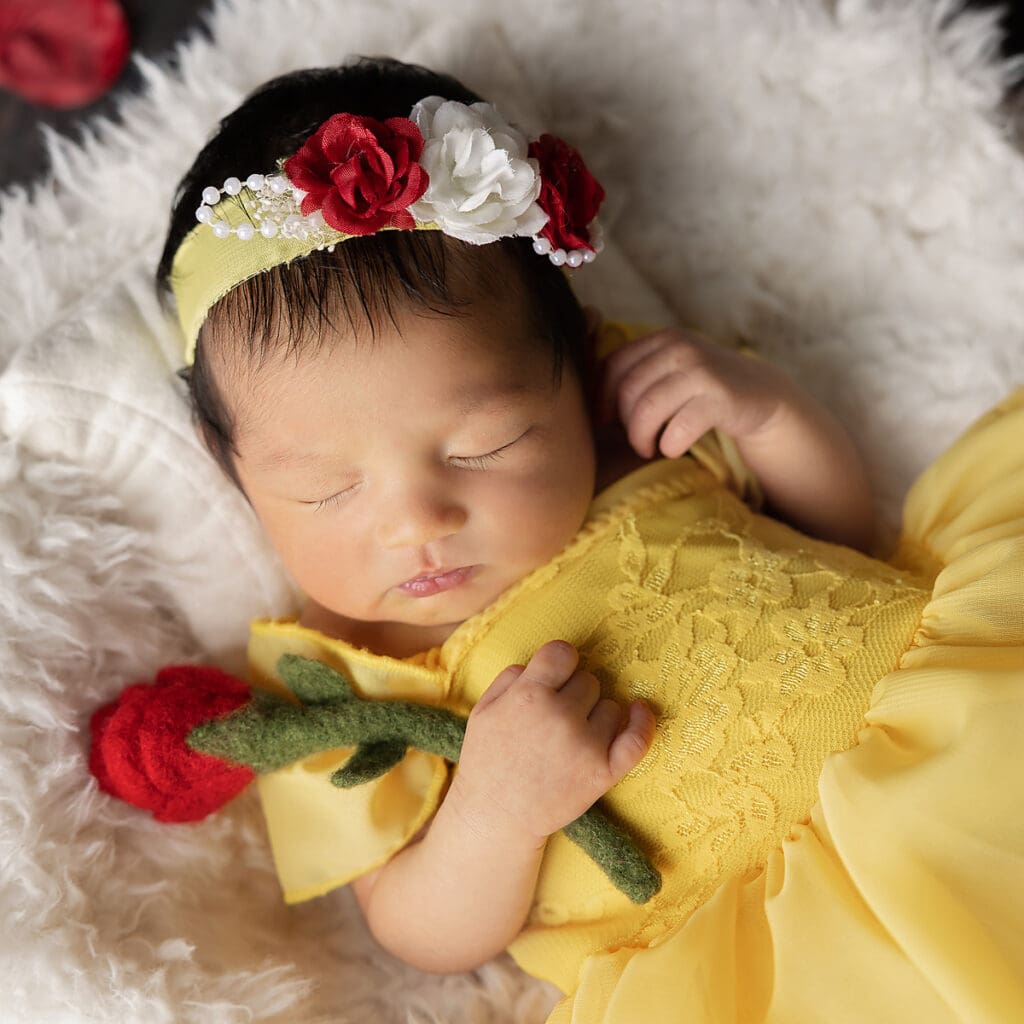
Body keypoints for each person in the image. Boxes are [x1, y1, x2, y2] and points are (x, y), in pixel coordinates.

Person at [157, 55, 1024, 1024]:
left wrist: (769, 414)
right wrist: (494, 810)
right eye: (325, 488)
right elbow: (415, 928)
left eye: (487, 443)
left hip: (941, 726)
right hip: (769, 931)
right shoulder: (339, 675)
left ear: (575, 362)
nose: (416, 522)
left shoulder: (631, 427)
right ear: (231, 466)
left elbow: (841, 533)